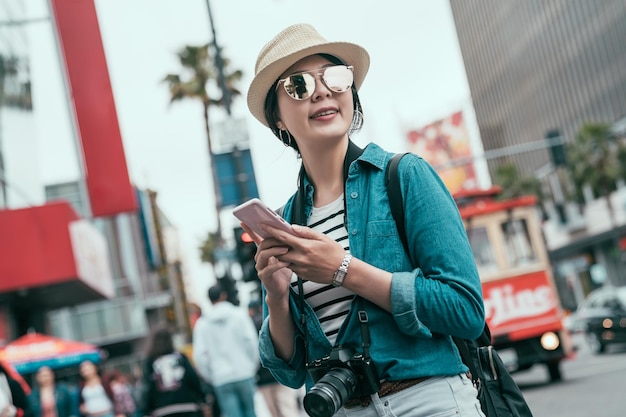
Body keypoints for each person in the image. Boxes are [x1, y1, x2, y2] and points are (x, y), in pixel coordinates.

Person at [242, 23, 487, 417]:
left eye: (336, 77)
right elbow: (288, 371)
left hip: (429, 401)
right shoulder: (286, 221)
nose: (322, 90)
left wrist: (342, 269)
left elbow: (465, 310)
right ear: (279, 120)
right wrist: (276, 295)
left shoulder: (405, 176)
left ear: (351, 94)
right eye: (299, 85)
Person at [192, 285, 259, 417]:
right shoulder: (239, 315)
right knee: (250, 412)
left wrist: (211, 376)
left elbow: (199, 356)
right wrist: (252, 366)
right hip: (244, 371)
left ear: (209, 300)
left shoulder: (202, 324)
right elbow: (251, 342)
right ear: (223, 295)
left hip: (220, 377)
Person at [247, 301, 301, 417]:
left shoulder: (249, 324)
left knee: (274, 412)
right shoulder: (270, 321)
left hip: (262, 377)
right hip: (279, 373)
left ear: (250, 310)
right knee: (288, 409)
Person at [142, 326, 207, 417]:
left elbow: (147, 389)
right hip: (187, 407)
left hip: (162, 410)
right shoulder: (181, 358)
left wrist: (146, 409)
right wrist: (202, 397)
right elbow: (193, 379)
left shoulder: (150, 362)